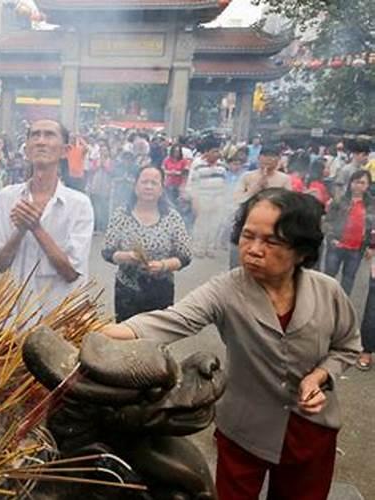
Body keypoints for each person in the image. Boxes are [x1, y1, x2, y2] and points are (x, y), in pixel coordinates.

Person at [102, 188, 360, 500]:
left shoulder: (328, 291)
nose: (253, 249)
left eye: (271, 241)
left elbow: (347, 346)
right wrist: (98, 334)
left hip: (311, 431)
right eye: (247, 236)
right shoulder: (226, 290)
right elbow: (169, 321)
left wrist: (319, 377)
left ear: (301, 251)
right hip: (244, 430)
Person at [0, 119, 94, 316]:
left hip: (58, 320)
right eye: (35, 135)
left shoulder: (79, 204)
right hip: (14, 318)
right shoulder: (7, 197)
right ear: (26, 150)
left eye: (49, 135)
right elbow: (0, 264)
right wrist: (20, 231)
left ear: (65, 151)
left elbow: (70, 273)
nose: (41, 141)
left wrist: (36, 228)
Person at [102, 166, 191, 322]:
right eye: (144, 182)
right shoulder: (121, 214)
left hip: (161, 290)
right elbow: (107, 252)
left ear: (162, 189)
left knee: (156, 339)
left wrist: (163, 265)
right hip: (127, 290)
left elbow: (185, 256)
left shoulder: (172, 217)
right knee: (126, 338)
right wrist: (126, 256)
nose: (149, 186)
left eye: (154, 183)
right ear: (136, 186)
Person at [323, 170, 374, 295]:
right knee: (329, 276)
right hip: (336, 246)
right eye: (356, 182)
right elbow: (327, 221)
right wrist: (331, 239)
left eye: (362, 183)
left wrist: (371, 246)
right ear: (350, 183)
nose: (358, 185)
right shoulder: (339, 200)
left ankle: (342, 305)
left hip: (357, 249)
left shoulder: (372, 204)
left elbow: (373, 228)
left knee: (348, 279)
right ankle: (324, 300)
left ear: (368, 185)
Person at [186, 136, 228, 258]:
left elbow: (224, 183)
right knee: (201, 225)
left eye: (218, 150)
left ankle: (210, 248)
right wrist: (194, 200)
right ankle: (198, 248)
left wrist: (223, 199)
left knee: (214, 225)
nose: (217, 153)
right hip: (203, 198)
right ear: (207, 151)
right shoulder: (198, 164)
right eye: (214, 151)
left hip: (218, 198)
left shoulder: (222, 165)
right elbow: (192, 184)